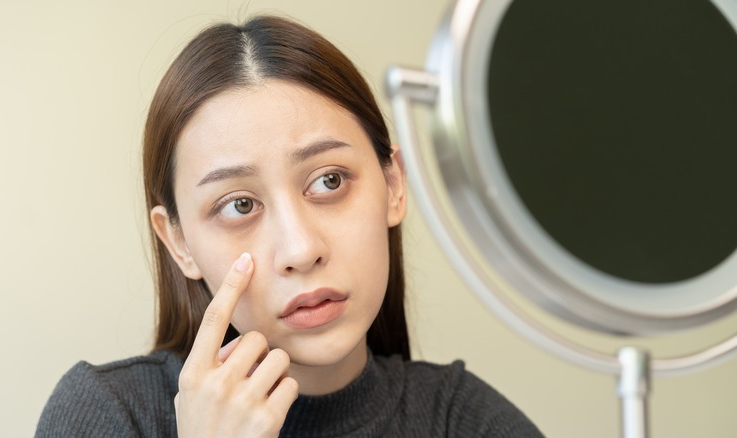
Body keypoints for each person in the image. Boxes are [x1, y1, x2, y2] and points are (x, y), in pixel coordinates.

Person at [36, 15, 543, 437]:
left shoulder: (462, 422)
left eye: (328, 181)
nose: (300, 249)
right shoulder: (109, 416)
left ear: (393, 186)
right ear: (179, 242)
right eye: (238, 206)